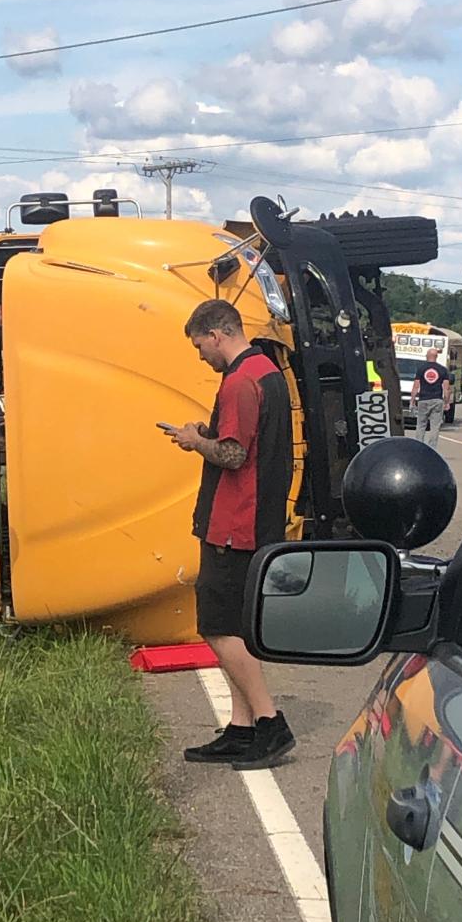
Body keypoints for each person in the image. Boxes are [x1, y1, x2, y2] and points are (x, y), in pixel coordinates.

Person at [164, 299, 295, 770]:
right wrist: (207, 432)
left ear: (217, 335)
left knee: (218, 629)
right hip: (258, 518)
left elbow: (235, 455)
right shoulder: (267, 372)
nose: (201, 356)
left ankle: (269, 721)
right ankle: (242, 729)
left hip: (233, 524)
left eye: (201, 346)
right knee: (237, 627)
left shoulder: (239, 381)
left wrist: (194, 440)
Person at [410, 347, 451, 448]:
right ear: (436, 357)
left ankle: (418, 446)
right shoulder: (443, 370)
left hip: (423, 399)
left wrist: (412, 400)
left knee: (421, 425)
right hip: (437, 400)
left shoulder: (421, 369)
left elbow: (416, 386)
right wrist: (447, 402)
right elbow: (446, 388)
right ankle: (432, 449)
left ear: (427, 356)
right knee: (435, 427)